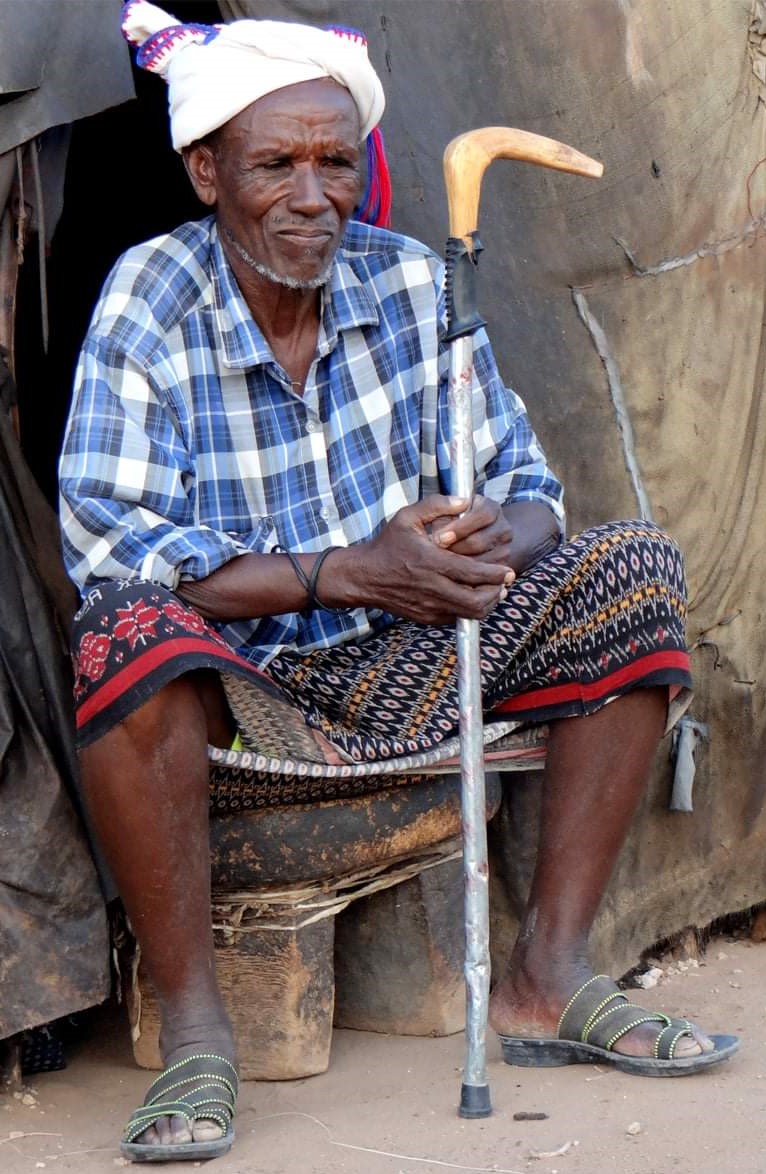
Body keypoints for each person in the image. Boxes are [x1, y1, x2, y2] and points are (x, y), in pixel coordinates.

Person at [58, 0, 739, 1163]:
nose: (313, 196)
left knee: (632, 568)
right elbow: (114, 545)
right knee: (126, 634)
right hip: (248, 688)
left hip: (419, 651)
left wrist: (480, 542)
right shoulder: (148, 297)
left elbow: (530, 490)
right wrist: (347, 567)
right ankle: (197, 1031)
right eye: (276, 164)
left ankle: (547, 975)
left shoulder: (417, 285)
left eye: (335, 161)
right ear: (205, 169)